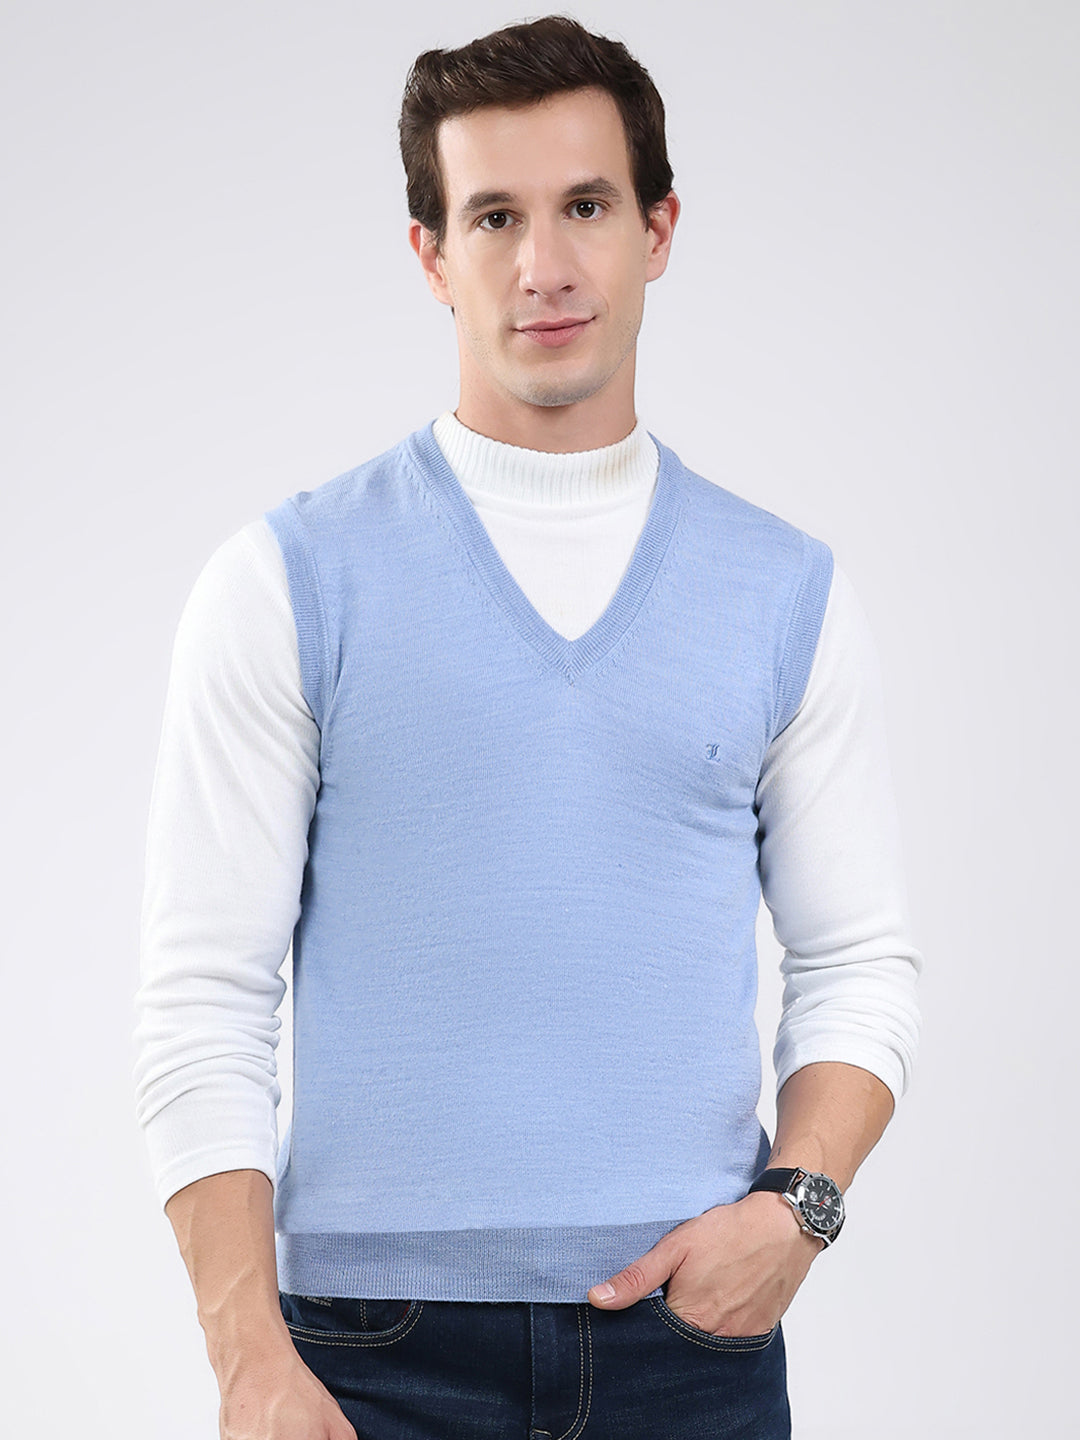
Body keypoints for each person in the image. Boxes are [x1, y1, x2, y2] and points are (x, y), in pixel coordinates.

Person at [132, 15, 922, 1440]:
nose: (543, 265)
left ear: (658, 230)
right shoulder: (287, 583)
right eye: (494, 216)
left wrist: (794, 1213)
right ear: (431, 254)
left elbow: (858, 960)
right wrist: (249, 1360)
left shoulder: (785, 593)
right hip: (368, 1358)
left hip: (690, 1349)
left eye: (587, 208)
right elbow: (204, 997)